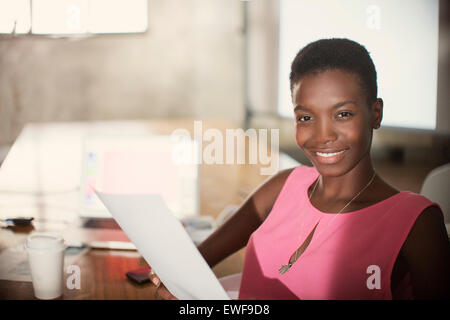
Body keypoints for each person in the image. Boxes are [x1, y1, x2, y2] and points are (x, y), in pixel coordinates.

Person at [150, 38, 450, 299]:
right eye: (306, 118)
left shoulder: (418, 224)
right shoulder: (283, 186)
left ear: (375, 113)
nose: (322, 135)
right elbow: (193, 265)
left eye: (342, 114)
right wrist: (175, 279)